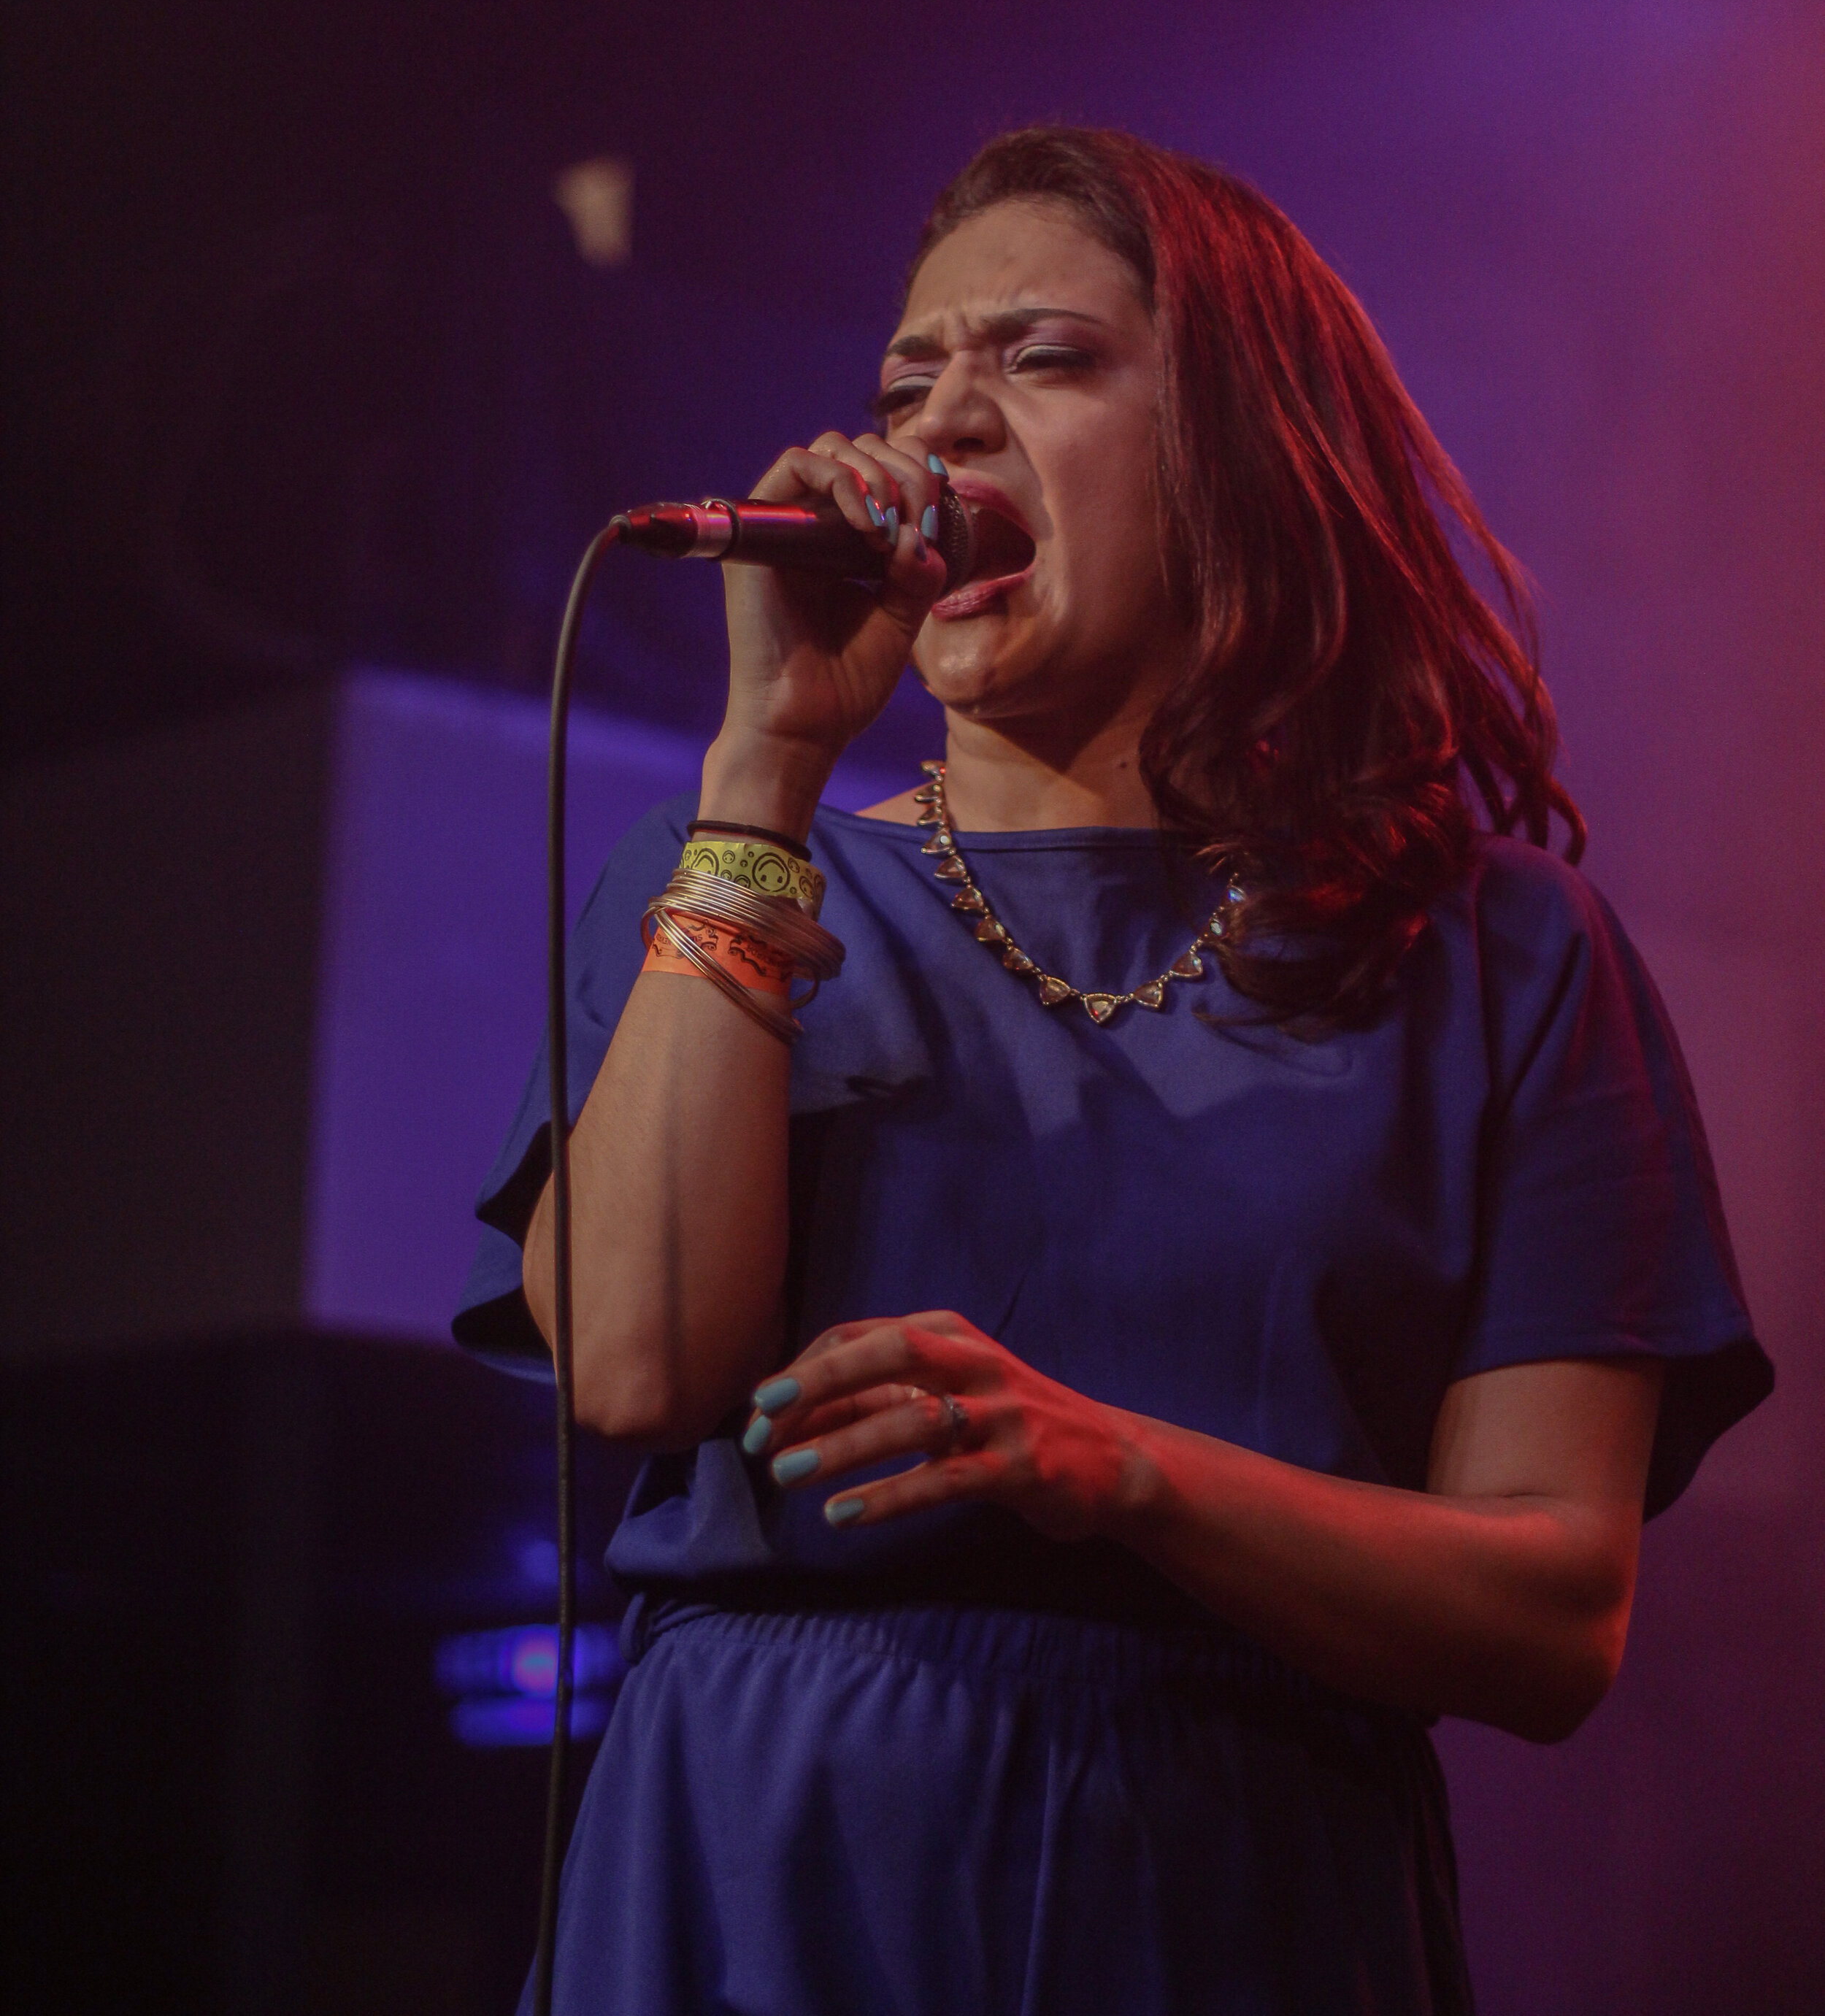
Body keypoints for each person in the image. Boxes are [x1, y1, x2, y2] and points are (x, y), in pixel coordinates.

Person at [455, 126, 1771, 2015]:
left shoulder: (1499, 952)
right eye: (906, 381)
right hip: (760, 1869)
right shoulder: (726, 876)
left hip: (1227, 1886)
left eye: (1043, 358)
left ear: (1241, 448)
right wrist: (765, 765)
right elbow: (637, 1367)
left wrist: (1124, 1470)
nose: (939, 427)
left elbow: (1551, 1617)